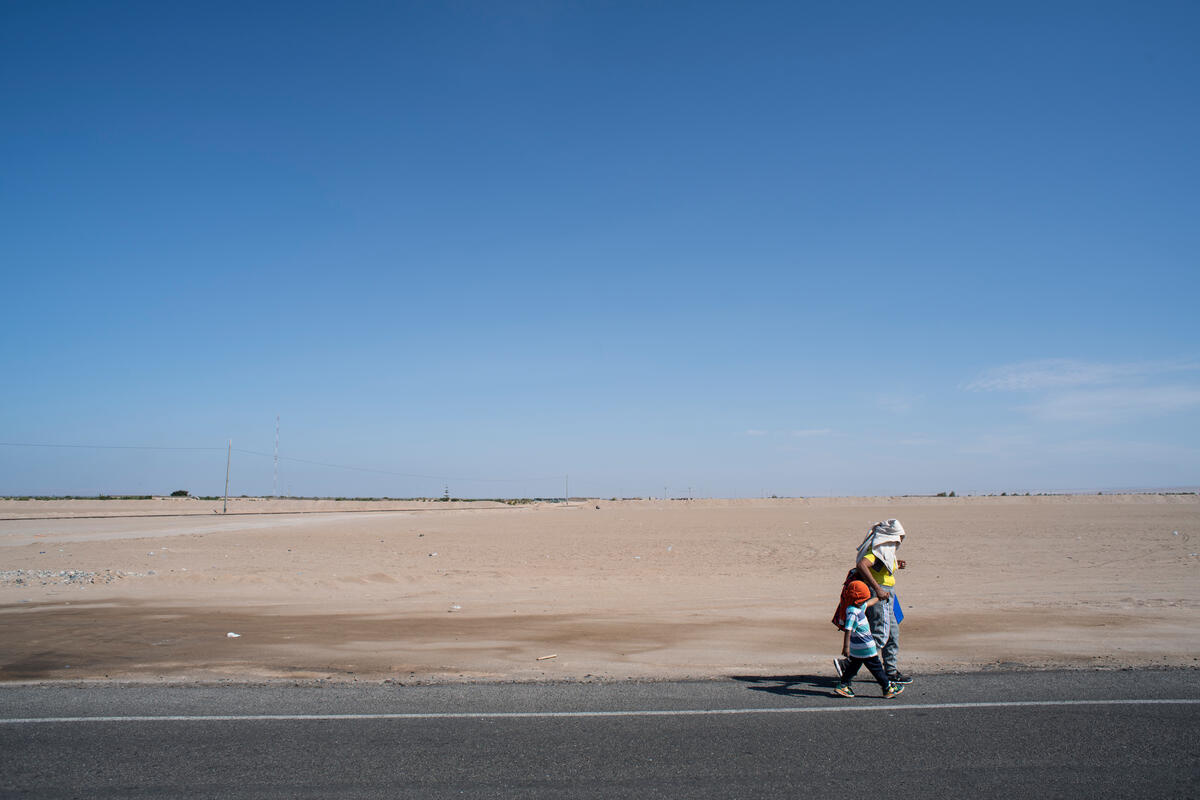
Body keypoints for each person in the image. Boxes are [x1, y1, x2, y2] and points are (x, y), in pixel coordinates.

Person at [853, 518, 911, 684]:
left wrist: (896, 565)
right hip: (880, 595)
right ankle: (849, 665)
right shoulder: (876, 551)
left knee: (892, 633)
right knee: (880, 634)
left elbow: (880, 568)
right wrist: (878, 589)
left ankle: (891, 671)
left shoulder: (884, 553)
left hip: (888, 595)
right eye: (898, 537)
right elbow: (862, 565)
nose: (900, 541)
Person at [833, 579, 904, 698]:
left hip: (858, 647)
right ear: (860, 599)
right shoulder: (853, 612)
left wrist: (880, 598)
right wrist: (846, 647)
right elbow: (848, 629)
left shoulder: (858, 606)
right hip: (866, 646)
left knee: (853, 666)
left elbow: (870, 603)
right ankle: (887, 688)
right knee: (876, 668)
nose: (866, 600)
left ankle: (843, 685)